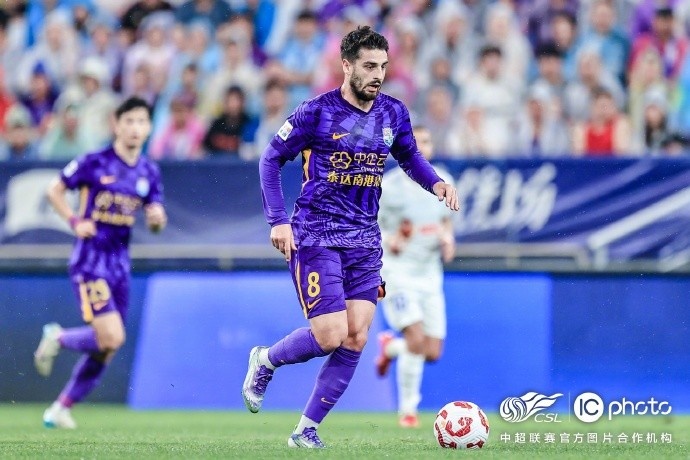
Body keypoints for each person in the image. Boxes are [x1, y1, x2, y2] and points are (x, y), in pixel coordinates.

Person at [242, 26, 459, 449]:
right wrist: (277, 220)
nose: (378, 75)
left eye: (383, 66)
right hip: (317, 233)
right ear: (346, 66)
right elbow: (270, 158)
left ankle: (306, 429)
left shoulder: (393, 113)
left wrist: (435, 183)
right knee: (329, 335)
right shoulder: (316, 112)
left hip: (364, 239)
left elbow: (410, 156)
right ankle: (265, 359)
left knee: (357, 334)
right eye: (369, 66)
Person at [33, 97, 167, 429]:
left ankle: (61, 408)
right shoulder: (94, 162)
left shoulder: (149, 171)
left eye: (141, 122)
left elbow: (156, 221)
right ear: (116, 125)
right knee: (112, 337)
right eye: (129, 121)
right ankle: (58, 337)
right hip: (91, 260)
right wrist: (74, 221)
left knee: (106, 347)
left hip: (120, 265)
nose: (135, 128)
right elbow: (54, 190)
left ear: (149, 128)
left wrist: (156, 219)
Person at [374, 125, 455, 428]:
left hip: (429, 275)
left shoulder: (444, 180)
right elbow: (372, 228)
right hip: (397, 273)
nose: (422, 147)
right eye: (415, 142)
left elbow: (446, 223)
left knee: (431, 352)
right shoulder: (388, 187)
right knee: (416, 339)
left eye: (427, 141)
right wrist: (392, 241)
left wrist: (448, 242)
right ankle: (408, 411)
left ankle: (390, 348)